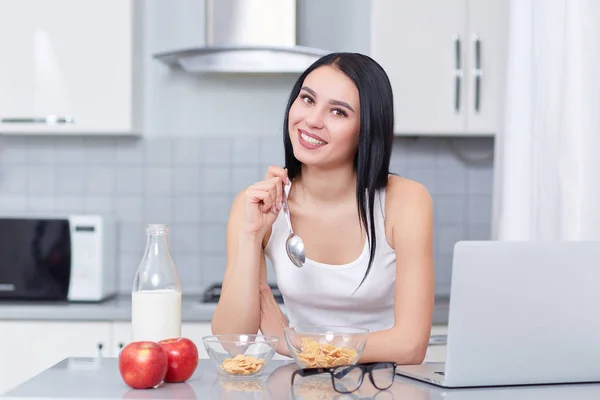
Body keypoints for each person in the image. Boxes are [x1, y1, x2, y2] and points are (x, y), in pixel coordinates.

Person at [211, 52, 434, 365]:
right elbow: (232, 343)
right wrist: (251, 235)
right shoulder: (256, 204)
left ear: (366, 129)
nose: (312, 120)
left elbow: (410, 346)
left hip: (387, 387)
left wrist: (296, 344)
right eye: (307, 99)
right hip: (302, 388)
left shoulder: (406, 201)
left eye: (339, 112)